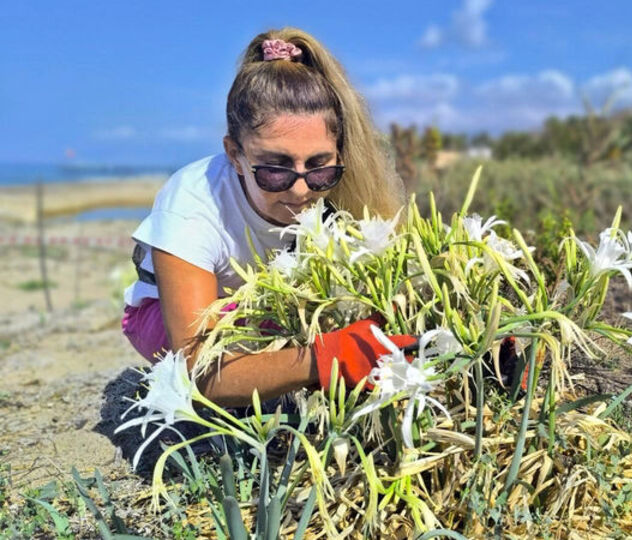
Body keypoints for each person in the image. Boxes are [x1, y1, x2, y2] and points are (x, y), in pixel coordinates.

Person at [120, 28, 416, 408]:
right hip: (166, 319)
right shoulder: (191, 204)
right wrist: (326, 357)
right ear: (234, 155)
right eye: (275, 169)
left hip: (270, 309)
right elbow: (198, 367)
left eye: (320, 167)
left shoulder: (344, 190)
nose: (301, 190)